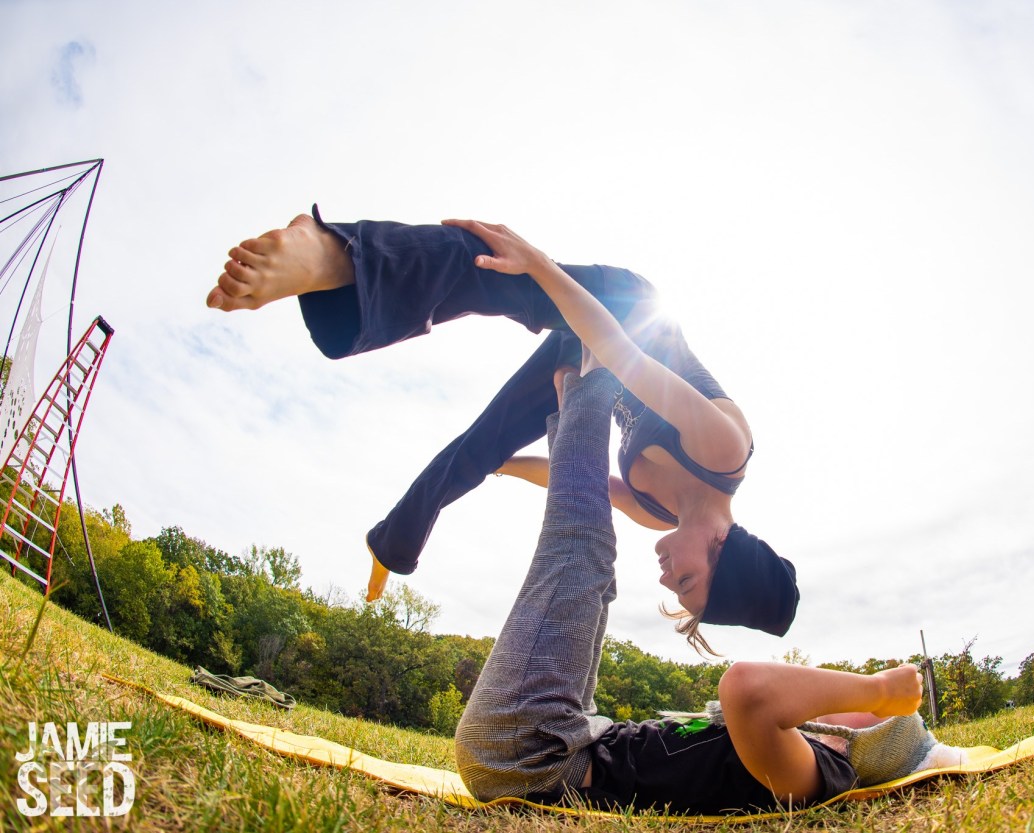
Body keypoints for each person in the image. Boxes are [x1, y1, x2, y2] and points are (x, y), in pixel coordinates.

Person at [207, 210, 798, 646]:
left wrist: (496, 465)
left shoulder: (655, 513)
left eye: (676, 593)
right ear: (724, 549)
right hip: (628, 318)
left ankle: (392, 541)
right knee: (500, 269)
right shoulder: (724, 449)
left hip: (589, 365)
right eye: (687, 580)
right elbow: (623, 354)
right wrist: (538, 265)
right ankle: (336, 254)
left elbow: (565, 476)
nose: (667, 580)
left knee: (480, 445)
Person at [453, 361, 955, 813]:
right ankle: (576, 389)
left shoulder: (817, 773)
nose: (832, 713)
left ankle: (588, 382)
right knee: (590, 565)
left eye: (865, 718)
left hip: (527, 758)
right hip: (579, 736)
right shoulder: (789, 739)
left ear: (869, 740)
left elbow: (749, 688)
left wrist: (882, 691)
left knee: (579, 547)